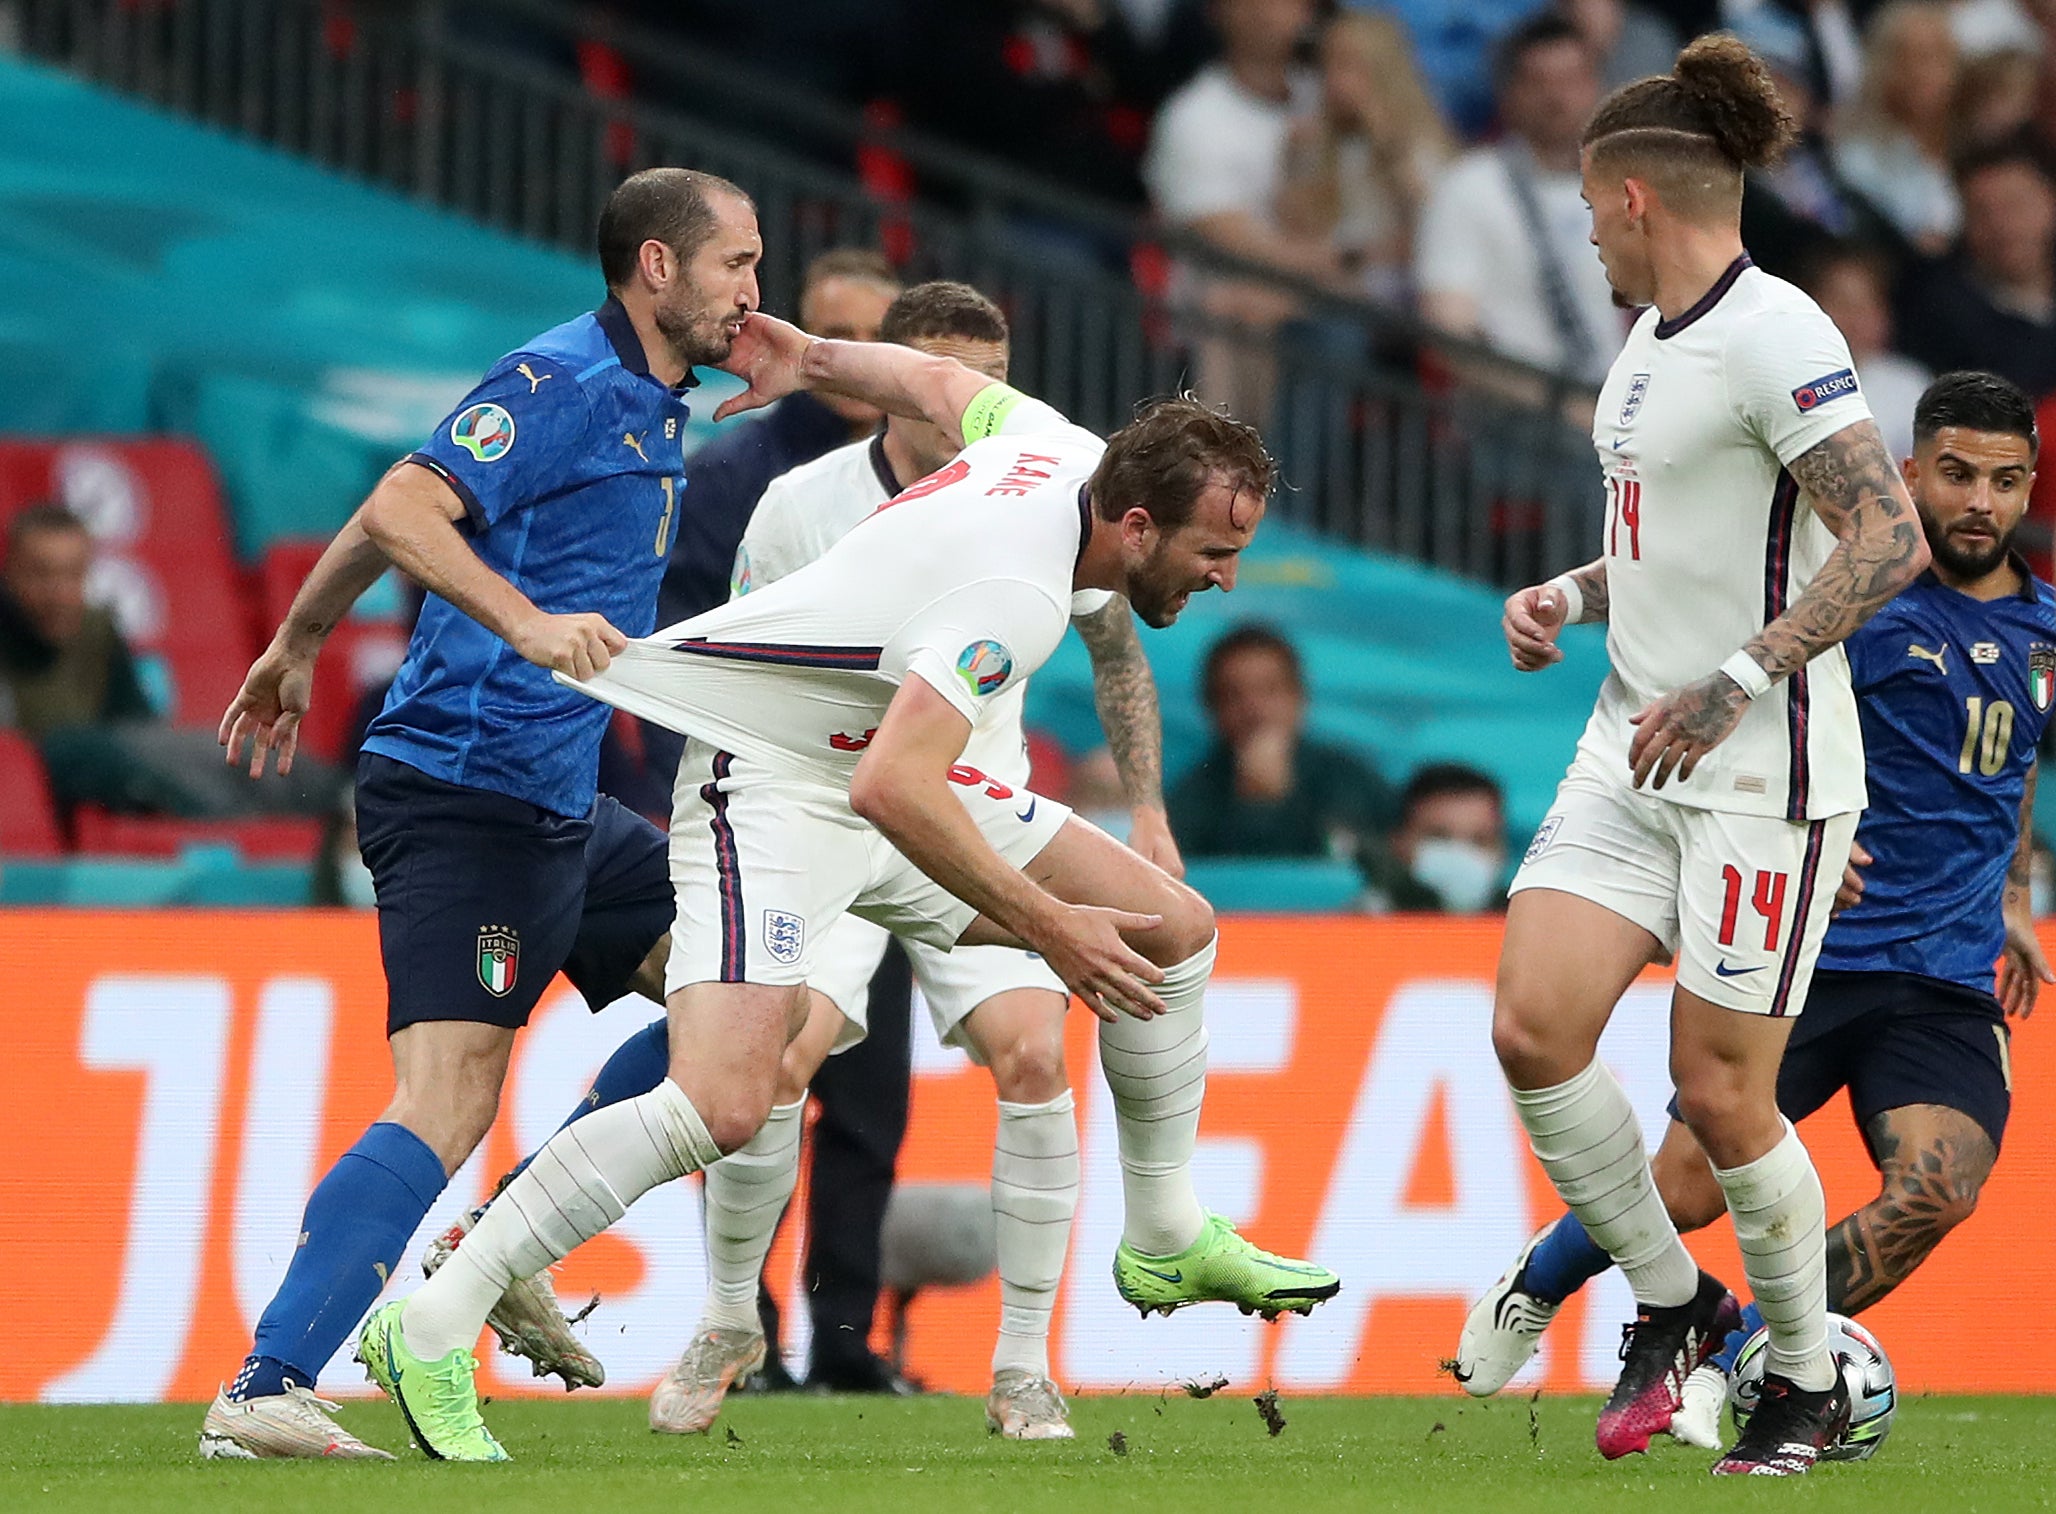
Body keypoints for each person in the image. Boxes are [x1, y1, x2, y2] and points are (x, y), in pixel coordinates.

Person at [356, 315, 1340, 1462]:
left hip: (881, 753)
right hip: (773, 780)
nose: (1224, 578)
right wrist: (1045, 924)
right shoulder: (1014, 597)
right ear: (1133, 525)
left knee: (1173, 927)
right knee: (722, 1101)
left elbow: (932, 379)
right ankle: (430, 1323)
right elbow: (889, 789)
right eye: (1212, 552)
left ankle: (1164, 1229)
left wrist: (812, 360)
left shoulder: (1056, 442)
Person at [195, 167, 764, 1461]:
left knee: (745, 996)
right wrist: (525, 623)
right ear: (658, 271)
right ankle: (266, 1383)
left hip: (563, 802)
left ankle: (499, 1240)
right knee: (447, 1092)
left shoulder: (658, 396)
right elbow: (407, 501)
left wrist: (294, 638)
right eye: (739, 263)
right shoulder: (559, 383)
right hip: (468, 794)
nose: (755, 290)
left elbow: (396, 497)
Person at [1457, 370, 2054, 1452]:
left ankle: (1751, 1361)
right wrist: (1807, 832)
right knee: (1681, 1192)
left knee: (1938, 1185)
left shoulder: (2044, 630)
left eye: (2005, 481)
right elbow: (1710, 641)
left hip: (1945, 975)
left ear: (2027, 486)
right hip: (1812, 947)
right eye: (1957, 474)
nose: (1979, 501)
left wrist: (2013, 895)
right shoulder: (1849, 591)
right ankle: (1540, 1276)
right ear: (1909, 473)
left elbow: (2007, 767)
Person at [1490, 35, 1929, 1476]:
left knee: (1726, 1095)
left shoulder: (1779, 331)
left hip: (1761, 769)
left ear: (1627, 198)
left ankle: (1800, 1377)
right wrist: (1571, 588)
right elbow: (1681, 543)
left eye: (1583, 209)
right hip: (1630, 745)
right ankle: (1678, 1306)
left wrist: (1741, 676)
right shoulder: (1654, 335)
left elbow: (1887, 535)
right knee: (1532, 1030)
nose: (1586, 234)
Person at [659, 247, 901, 624]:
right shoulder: (726, 473)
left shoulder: (939, 468)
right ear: (794, 342)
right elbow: (680, 617)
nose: (858, 356)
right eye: (838, 337)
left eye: (878, 337)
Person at [1414, 14, 1618, 388]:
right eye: (1538, 83)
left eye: (1571, 81)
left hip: (1611, 424)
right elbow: (1449, 326)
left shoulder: (1624, 194)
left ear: (1597, 88)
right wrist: (1553, 408)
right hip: (1509, 424)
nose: (1557, 98)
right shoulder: (1469, 186)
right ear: (1508, 94)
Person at [1166, 621, 1393, 861]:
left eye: (1270, 690)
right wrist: (1256, 806)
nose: (1254, 709)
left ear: (1299, 697)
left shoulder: (1350, 779)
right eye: (1234, 695)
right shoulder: (1191, 797)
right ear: (1211, 708)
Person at [1275, 10, 1454, 310]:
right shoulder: (1314, 143)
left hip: (1397, 291)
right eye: (1327, 65)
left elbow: (1429, 237)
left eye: (1347, 67)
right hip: (1329, 278)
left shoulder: (1419, 147)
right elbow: (1297, 231)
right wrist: (1293, 164)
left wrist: (1389, 149)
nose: (1333, 79)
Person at [1896, 141, 2056, 399]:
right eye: (1981, 212)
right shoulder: (1938, 311)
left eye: (2014, 206)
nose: (2001, 225)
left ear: (2050, 202)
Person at [1831, 1, 1961, 257]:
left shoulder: (1970, 145)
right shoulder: (1858, 155)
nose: (1921, 73)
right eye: (1905, 58)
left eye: (1935, 56)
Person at [1797, 242, 1932, 463]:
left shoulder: (1908, 385)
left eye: (1866, 305)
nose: (1854, 318)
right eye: (1842, 303)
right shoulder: (1785, 381)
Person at [1362, 762, 1507, 913]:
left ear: (1502, 852)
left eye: (1479, 840)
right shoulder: (1359, 924)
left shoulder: (1526, 927)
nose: (1459, 855)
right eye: (1439, 838)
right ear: (1399, 841)